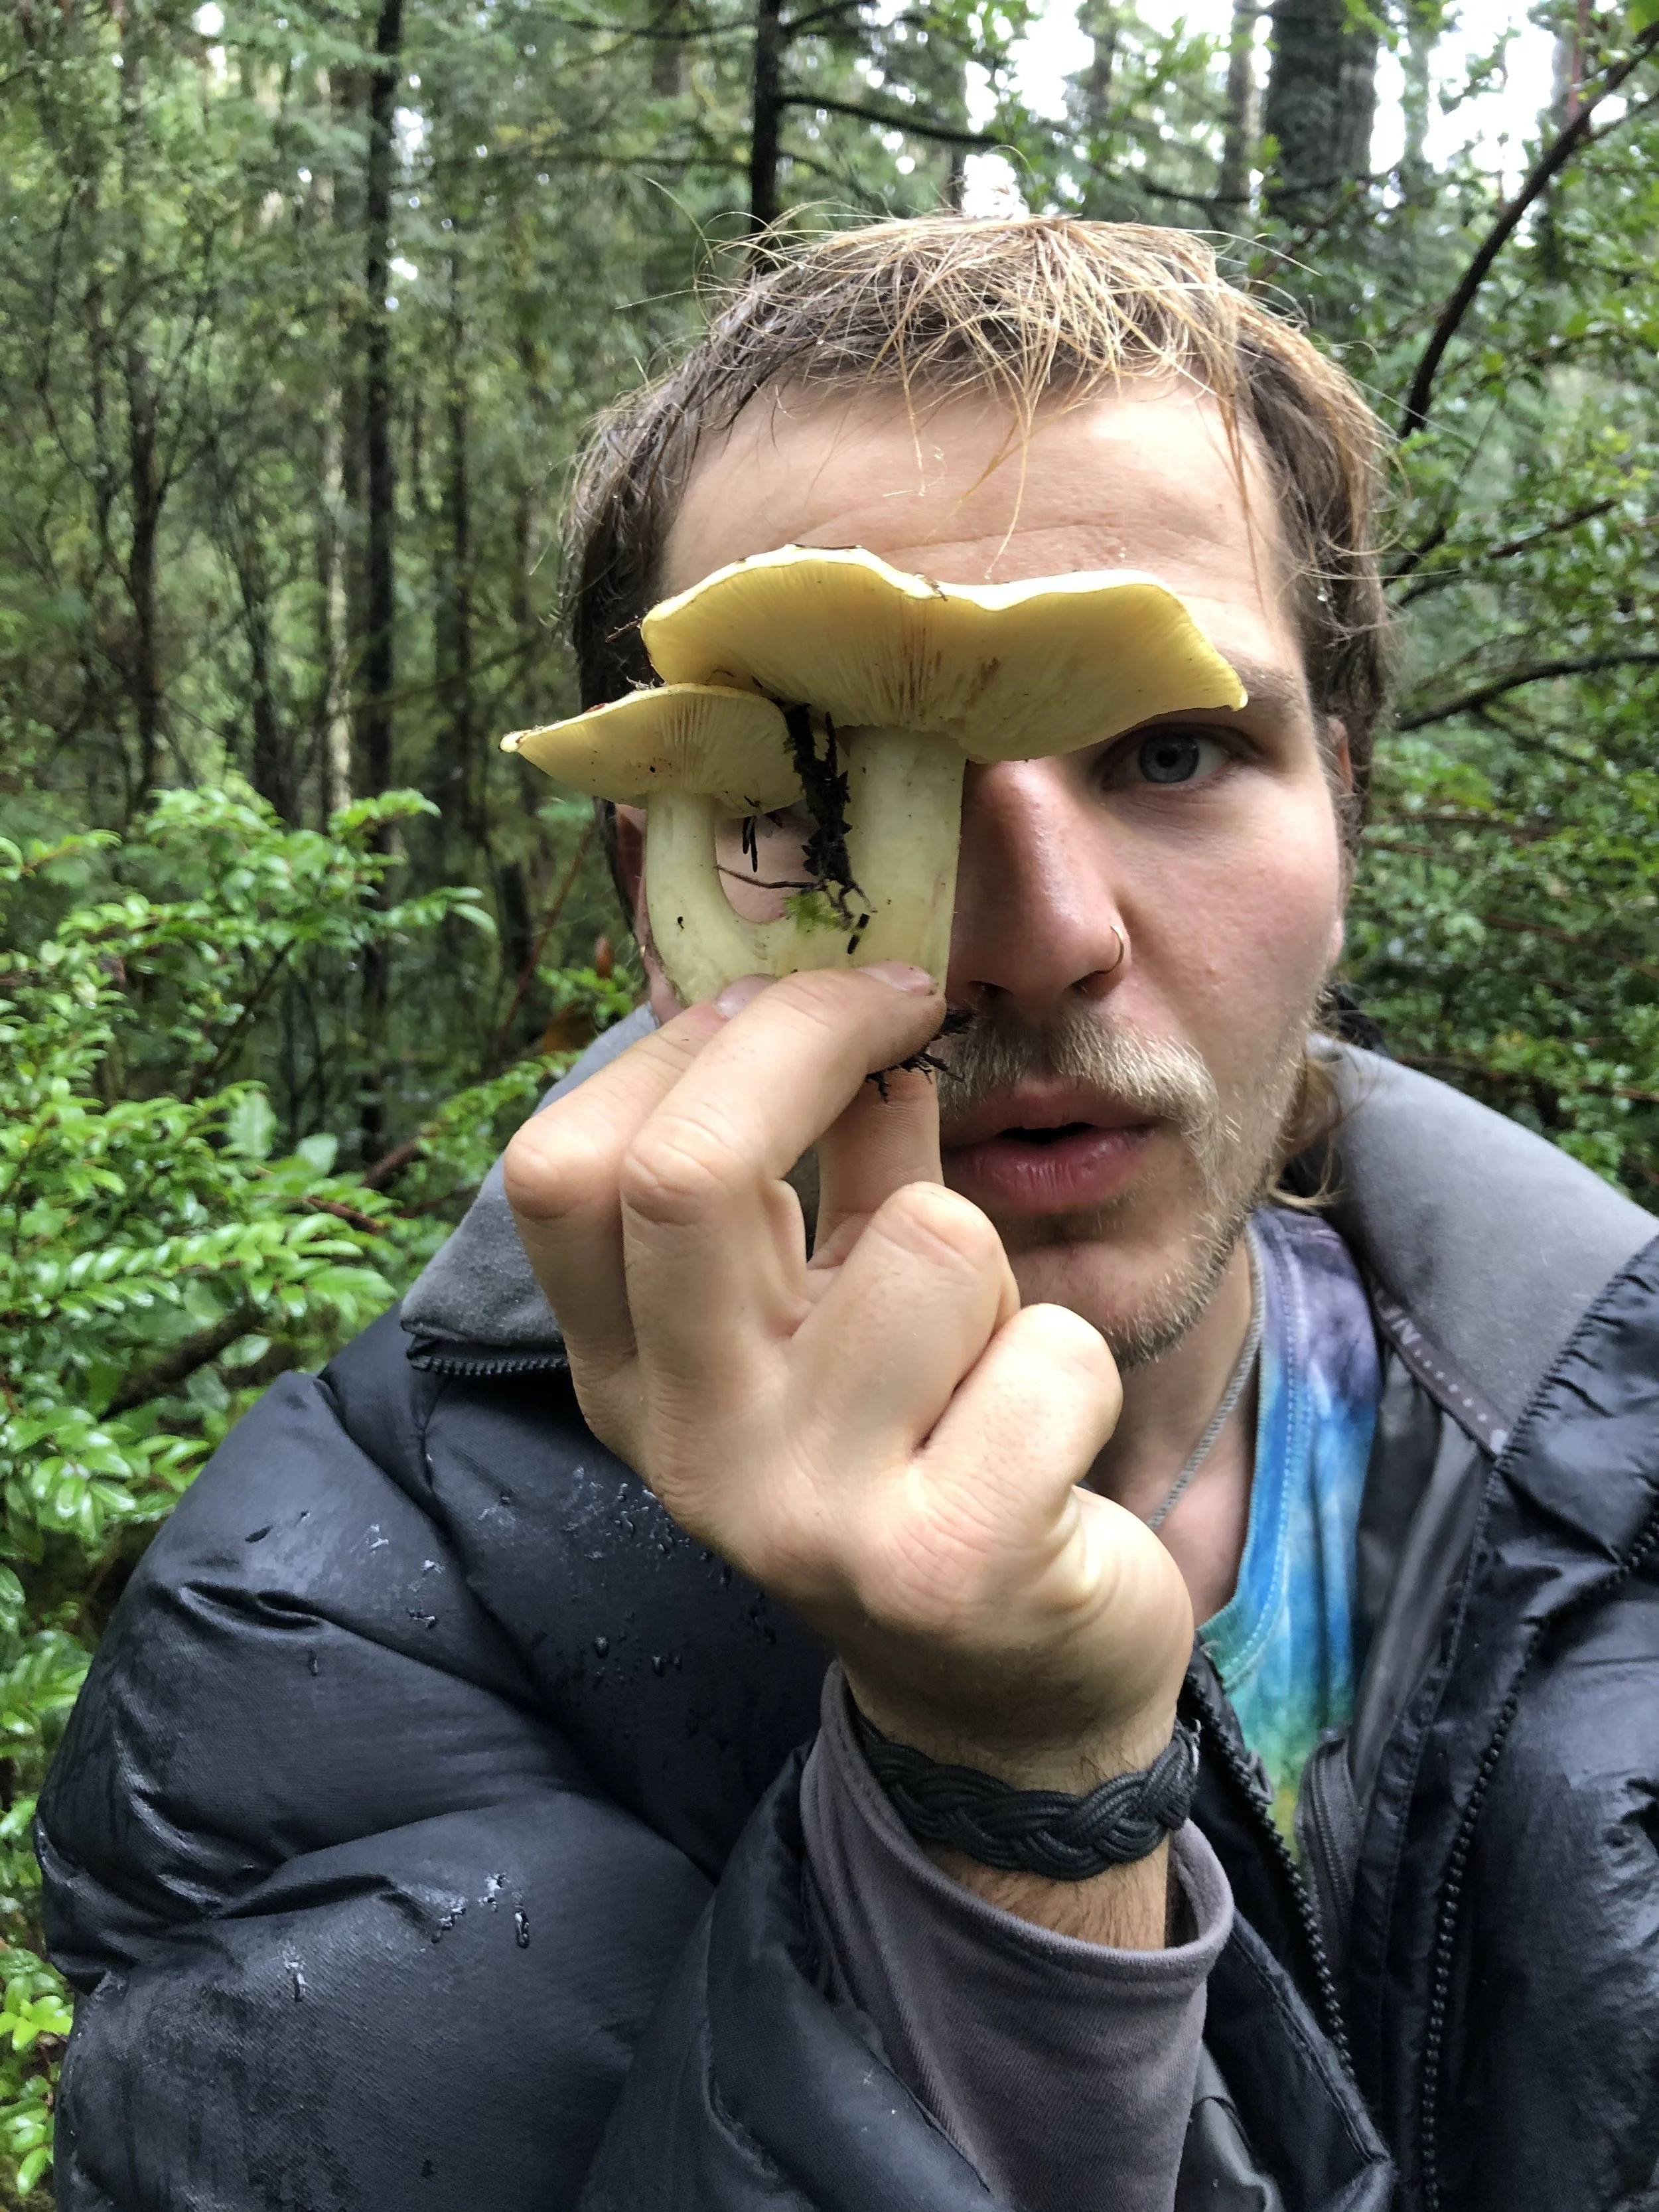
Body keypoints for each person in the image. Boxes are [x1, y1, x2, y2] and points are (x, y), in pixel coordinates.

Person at [40, 218, 1659, 2212]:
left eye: (1171, 749)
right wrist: (1001, 1804)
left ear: (1344, 799)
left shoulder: (1623, 1469)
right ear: (656, 894)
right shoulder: (319, 1640)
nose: (1039, 937)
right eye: (825, 805)